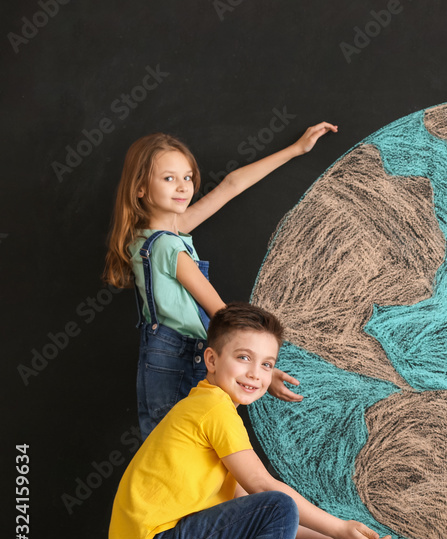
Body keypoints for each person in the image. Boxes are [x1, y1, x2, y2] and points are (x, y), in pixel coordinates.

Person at [108, 302, 391, 539]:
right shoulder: (214, 410)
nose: (255, 374)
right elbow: (264, 490)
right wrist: (337, 525)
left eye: (267, 364)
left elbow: (256, 513)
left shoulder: (213, 410)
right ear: (211, 359)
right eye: (244, 358)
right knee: (275, 502)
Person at [102, 123, 337, 440]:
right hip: (184, 359)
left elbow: (231, 185)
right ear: (140, 188)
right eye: (169, 178)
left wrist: (296, 148)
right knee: (190, 451)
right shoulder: (168, 246)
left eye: (187, 177)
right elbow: (221, 314)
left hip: (171, 358)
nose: (183, 186)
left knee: (176, 451)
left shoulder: (151, 239)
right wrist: (262, 369)